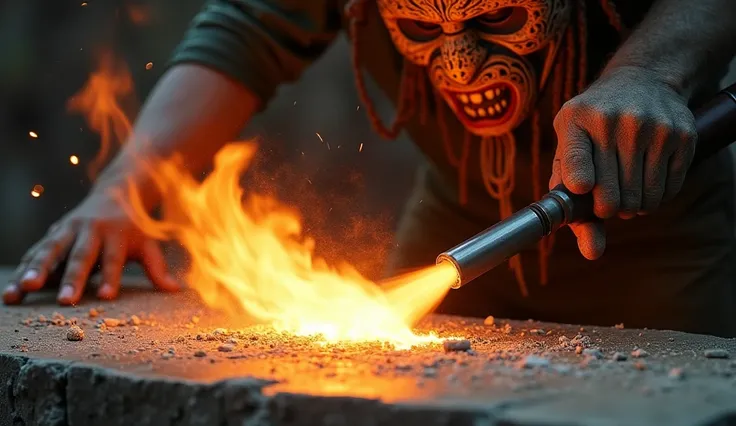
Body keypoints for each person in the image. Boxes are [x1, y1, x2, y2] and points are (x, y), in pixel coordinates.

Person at [4, 0, 736, 336]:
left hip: (658, 241)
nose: (461, 61)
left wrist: (650, 71)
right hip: (455, 220)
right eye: (424, 26)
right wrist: (126, 187)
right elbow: (248, 26)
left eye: (496, 18)